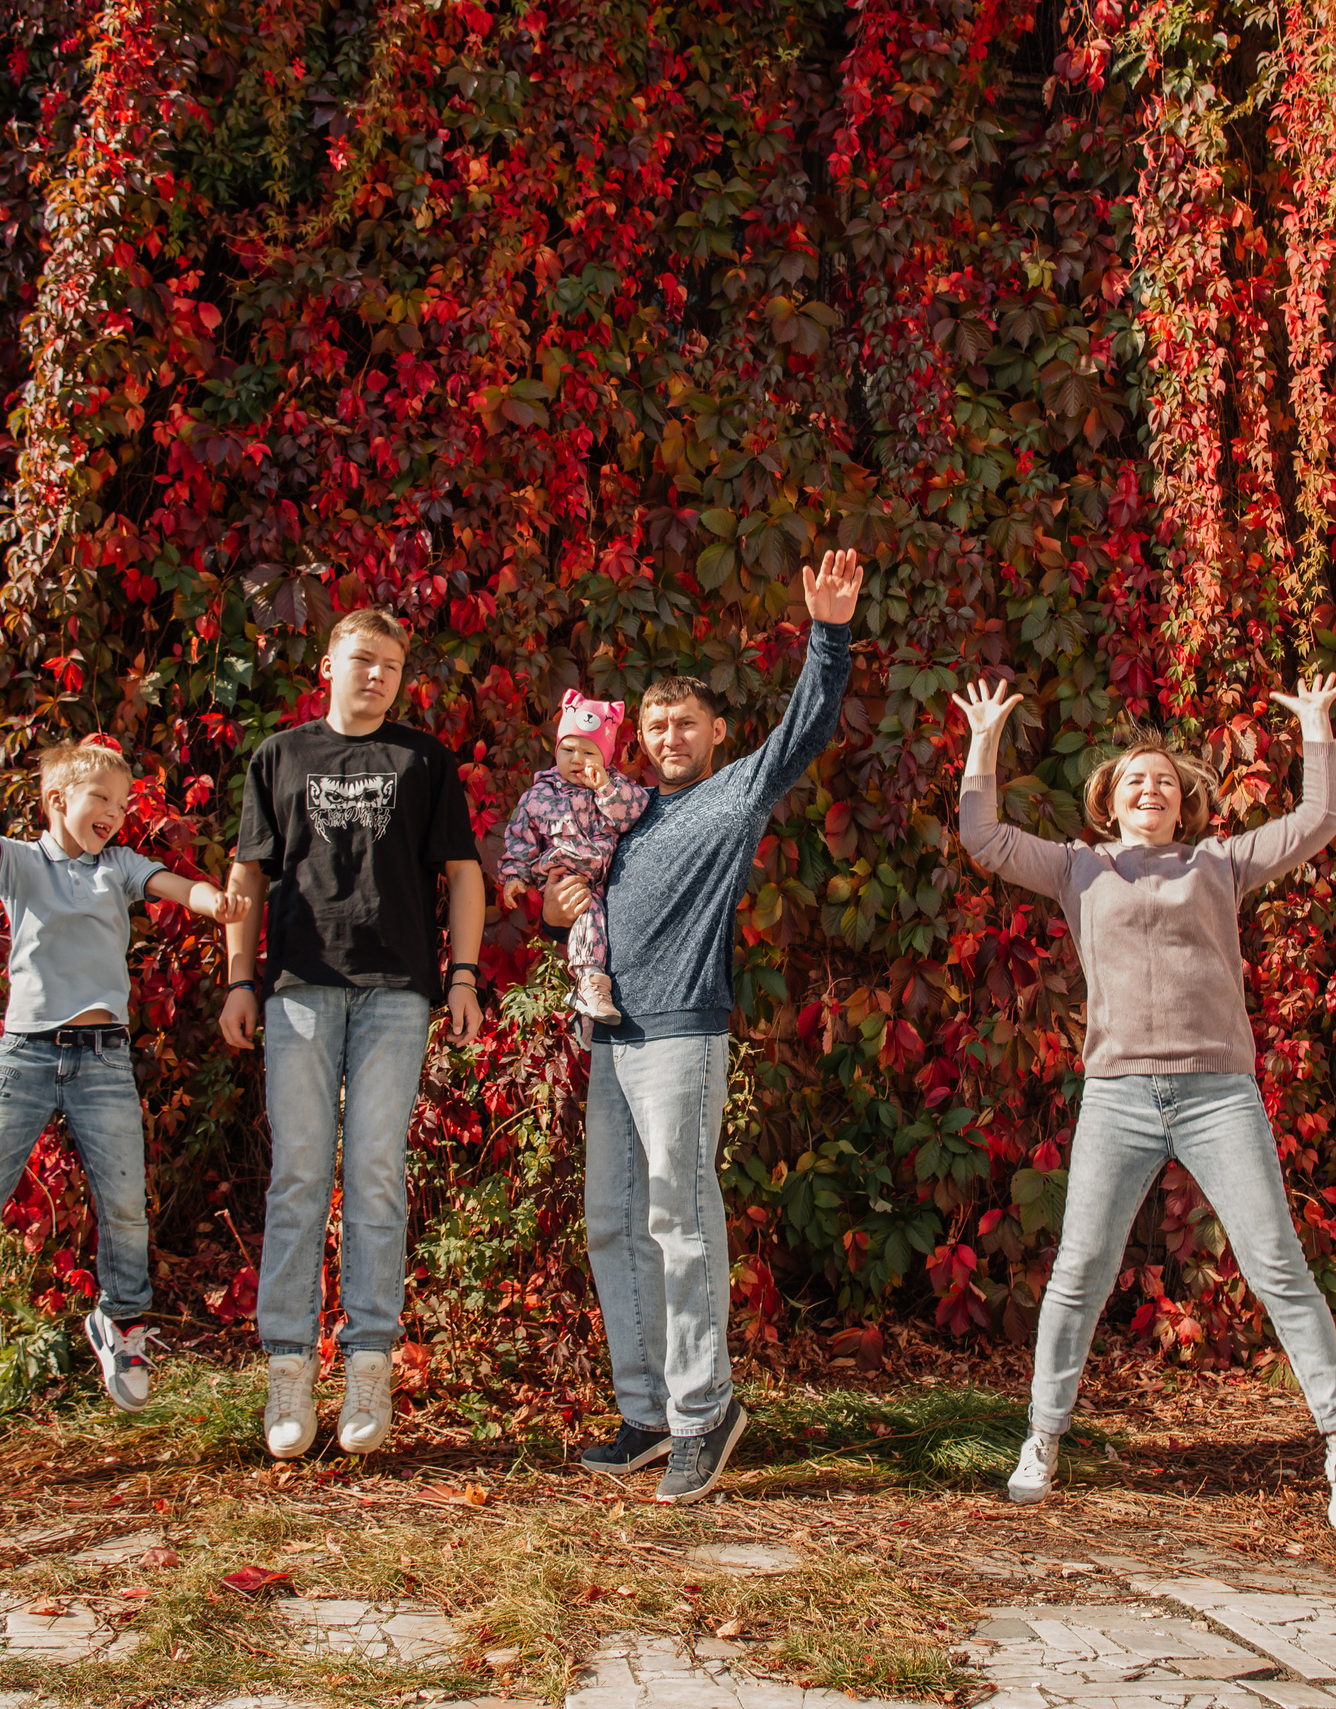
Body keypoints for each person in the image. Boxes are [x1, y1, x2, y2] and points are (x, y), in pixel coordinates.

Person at [952, 672, 1336, 1532]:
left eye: (1164, 781)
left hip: (1218, 1093)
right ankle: (1043, 1437)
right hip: (1119, 1096)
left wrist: (1318, 731)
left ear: (1185, 803)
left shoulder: (1219, 862)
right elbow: (986, 838)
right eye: (1132, 780)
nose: (1150, 787)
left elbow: (1320, 821)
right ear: (1109, 801)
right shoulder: (1079, 866)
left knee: (1278, 1269)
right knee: (1079, 1273)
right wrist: (984, 740)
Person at [542, 548, 862, 1504]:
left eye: (686, 721)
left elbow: (807, 729)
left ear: (717, 733)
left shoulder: (731, 797)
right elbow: (570, 895)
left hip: (682, 1033)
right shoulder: (621, 814)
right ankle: (646, 1412)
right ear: (635, 734)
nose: (668, 733)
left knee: (680, 1221)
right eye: (655, 722)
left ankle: (704, 1409)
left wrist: (830, 633)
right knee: (613, 1222)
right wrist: (565, 896)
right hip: (611, 1035)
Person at [0, 726, 249, 1414]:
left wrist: (213, 903)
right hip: (26, 1054)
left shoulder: (121, 866)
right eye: (99, 797)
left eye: (123, 803)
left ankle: (122, 1324)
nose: (114, 811)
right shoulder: (18, 863)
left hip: (102, 1059)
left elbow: (175, 885)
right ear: (55, 801)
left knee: (127, 1205)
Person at [218, 608, 486, 1462]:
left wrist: (464, 976)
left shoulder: (424, 760)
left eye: (393, 665)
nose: (378, 675)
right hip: (298, 991)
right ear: (328, 662)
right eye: (364, 660)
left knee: (375, 1174)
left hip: (397, 994)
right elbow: (248, 875)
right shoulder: (280, 755)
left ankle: (370, 1361)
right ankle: (290, 1366)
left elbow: (464, 874)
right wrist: (238, 977)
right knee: (298, 1174)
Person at [497, 691, 651, 1022]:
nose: (577, 759)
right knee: (588, 913)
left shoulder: (613, 787)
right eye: (567, 750)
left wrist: (605, 787)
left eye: (588, 752)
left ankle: (592, 984)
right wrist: (514, 876)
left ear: (606, 757)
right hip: (566, 874)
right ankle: (590, 981)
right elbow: (522, 835)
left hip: (605, 879)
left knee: (601, 918)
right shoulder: (540, 793)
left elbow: (632, 814)